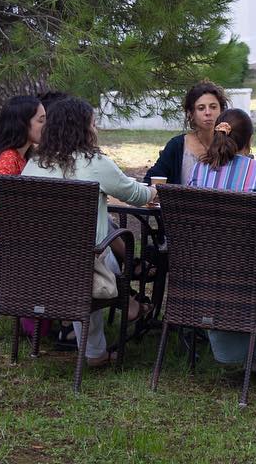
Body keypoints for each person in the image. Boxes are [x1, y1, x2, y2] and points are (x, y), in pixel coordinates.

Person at [22, 94, 156, 366]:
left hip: (33, 263)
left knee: (97, 253)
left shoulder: (34, 163)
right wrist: (155, 189)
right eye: (93, 124)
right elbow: (136, 195)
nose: (95, 130)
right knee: (103, 254)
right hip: (82, 265)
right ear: (82, 129)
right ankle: (98, 347)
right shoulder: (94, 162)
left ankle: (101, 340)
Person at [185, 108, 256, 367]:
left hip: (207, 276)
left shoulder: (197, 172)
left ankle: (233, 352)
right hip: (254, 279)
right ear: (249, 140)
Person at [0, 95, 45, 258]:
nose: (46, 126)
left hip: (10, 230)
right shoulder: (8, 158)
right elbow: (4, 204)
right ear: (21, 123)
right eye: (41, 121)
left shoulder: (24, 156)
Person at [143, 80, 228, 185]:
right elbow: (150, 180)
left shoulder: (231, 144)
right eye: (201, 108)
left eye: (213, 107)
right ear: (190, 114)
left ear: (222, 110)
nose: (208, 112)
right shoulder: (177, 146)